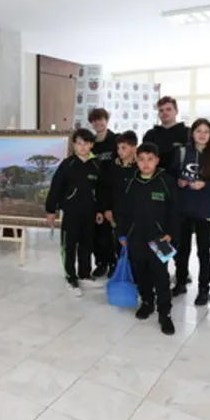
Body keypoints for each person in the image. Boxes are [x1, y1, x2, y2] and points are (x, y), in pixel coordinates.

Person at [116, 142, 178, 335]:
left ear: (157, 161)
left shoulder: (166, 181)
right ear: (137, 160)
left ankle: (165, 312)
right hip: (136, 238)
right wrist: (122, 233)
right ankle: (147, 302)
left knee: (161, 276)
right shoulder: (131, 182)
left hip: (160, 239)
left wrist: (171, 233)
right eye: (141, 159)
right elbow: (122, 211)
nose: (145, 164)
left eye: (150, 159)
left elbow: (175, 211)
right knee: (141, 273)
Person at [45, 128, 103, 296]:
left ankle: (85, 274)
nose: (82, 147)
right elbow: (55, 187)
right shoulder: (67, 164)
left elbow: (101, 190)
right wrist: (51, 209)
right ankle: (71, 278)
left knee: (87, 245)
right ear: (74, 145)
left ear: (91, 144)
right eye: (79, 143)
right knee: (69, 246)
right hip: (71, 212)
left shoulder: (97, 165)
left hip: (90, 213)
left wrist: (100, 210)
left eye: (86, 143)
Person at [172, 119, 210, 305]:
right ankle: (180, 282)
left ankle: (203, 288)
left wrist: (205, 185)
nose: (202, 135)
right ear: (192, 133)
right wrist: (179, 182)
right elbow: (171, 176)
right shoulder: (182, 151)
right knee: (181, 248)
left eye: (206, 132)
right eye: (198, 131)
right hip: (183, 208)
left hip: (204, 209)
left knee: (203, 251)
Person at [100, 130, 139, 278]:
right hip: (117, 214)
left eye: (124, 148)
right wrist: (107, 209)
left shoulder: (140, 167)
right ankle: (121, 272)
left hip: (137, 216)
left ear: (134, 147)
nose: (120, 152)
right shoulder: (113, 167)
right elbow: (105, 190)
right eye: (118, 148)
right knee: (119, 244)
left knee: (137, 247)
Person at [89, 107, 118, 278]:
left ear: (106, 120)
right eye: (94, 120)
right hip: (94, 192)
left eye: (101, 119)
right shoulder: (90, 143)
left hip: (113, 192)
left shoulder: (115, 140)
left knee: (111, 231)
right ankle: (101, 262)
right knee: (96, 231)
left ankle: (114, 262)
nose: (98, 123)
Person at [142, 96, 189, 173]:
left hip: (182, 180)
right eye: (161, 110)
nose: (164, 113)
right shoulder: (150, 135)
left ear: (176, 111)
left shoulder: (188, 133)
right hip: (156, 179)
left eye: (168, 109)